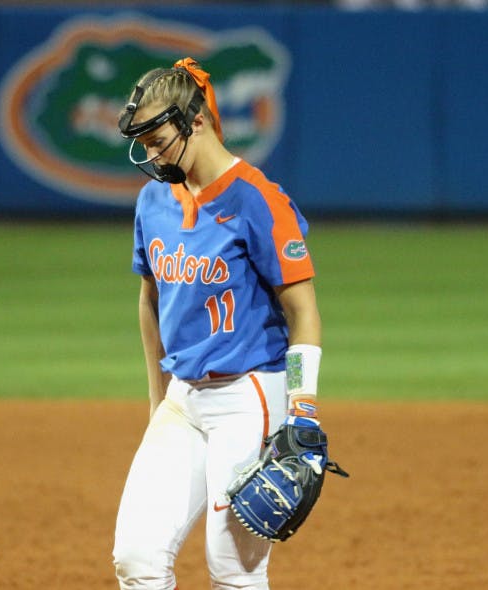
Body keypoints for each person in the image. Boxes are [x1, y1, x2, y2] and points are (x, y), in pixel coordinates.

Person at [111, 57, 327, 590]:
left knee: (233, 569)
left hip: (249, 395)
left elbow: (304, 312)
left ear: (197, 121)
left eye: (158, 137)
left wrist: (303, 411)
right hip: (183, 400)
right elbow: (149, 299)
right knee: (136, 557)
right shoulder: (154, 200)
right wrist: (156, 399)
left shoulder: (258, 200)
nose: (151, 153)